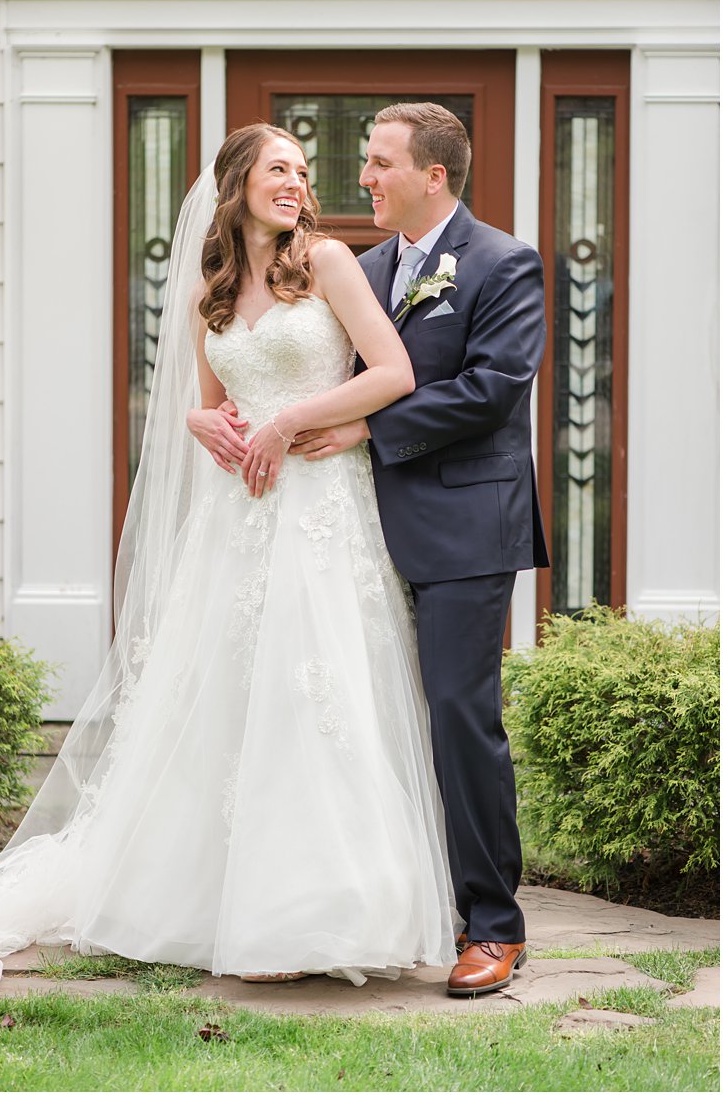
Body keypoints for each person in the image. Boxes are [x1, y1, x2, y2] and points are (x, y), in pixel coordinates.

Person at [0, 124, 456, 992]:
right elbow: (208, 406)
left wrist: (288, 419)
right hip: (239, 515)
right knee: (230, 696)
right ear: (235, 185)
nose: (297, 184)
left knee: (317, 692)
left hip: (319, 504)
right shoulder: (210, 292)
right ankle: (211, 903)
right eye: (279, 170)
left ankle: (331, 911)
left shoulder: (332, 263)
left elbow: (393, 374)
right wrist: (204, 420)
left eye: (304, 172)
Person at [277, 103, 548, 997]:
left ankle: (494, 924)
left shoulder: (505, 263)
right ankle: (365, 906)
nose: (365, 177)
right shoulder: (359, 267)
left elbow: (492, 390)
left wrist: (366, 425)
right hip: (355, 527)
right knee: (357, 716)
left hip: (466, 526)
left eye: (382, 162)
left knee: (458, 719)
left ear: (434, 175)